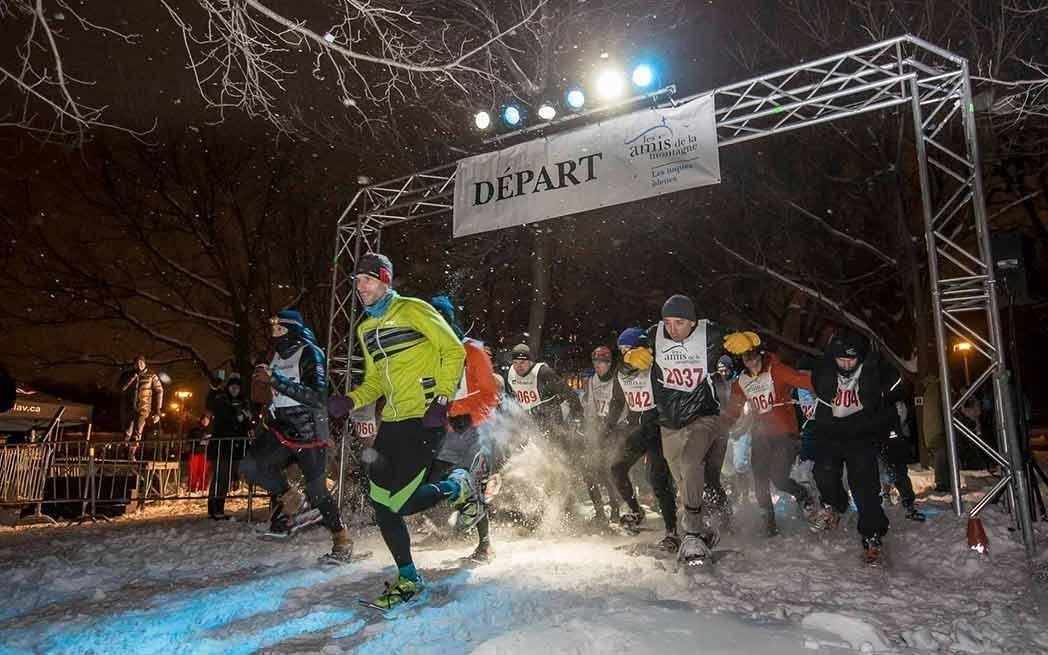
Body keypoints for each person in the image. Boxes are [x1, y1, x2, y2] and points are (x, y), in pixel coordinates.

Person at [326, 253, 479, 610]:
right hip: (393, 421)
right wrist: (350, 400)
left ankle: (457, 486)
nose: (360, 287)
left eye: (366, 279)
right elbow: (376, 381)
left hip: (425, 417)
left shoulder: (414, 310)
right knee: (382, 502)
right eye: (356, 281)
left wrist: (441, 398)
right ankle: (409, 577)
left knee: (401, 501)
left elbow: (452, 350)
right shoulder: (366, 329)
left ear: (384, 280)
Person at [625, 294, 731, 566]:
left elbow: (733, 349)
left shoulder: (709, 334)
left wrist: (746, 343)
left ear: (693, 322)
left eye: (680, 323)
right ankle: (703, 530)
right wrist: (630, 356)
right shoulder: (655, 335)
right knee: (683, 481)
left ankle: (692, 533)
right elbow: (634, 352)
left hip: (703, 415)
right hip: (669, 422)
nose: (673, 329)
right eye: (668, 322)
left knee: (690, 462)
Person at [242, 310, 351, 564]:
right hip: (281, 428)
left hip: (309, 430)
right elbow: (273, 392)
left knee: (318, 491)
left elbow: (316, 397)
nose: (275, 334)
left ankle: (342, 538)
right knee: (251, 466)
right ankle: (292, 498)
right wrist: (262, 385)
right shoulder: (276, 355)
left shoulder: (310, 352)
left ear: (293, 331)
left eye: (280, 329)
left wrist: (275, 379)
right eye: (273, 329)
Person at [808, 331, 904, 565]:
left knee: (864, 488)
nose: (845, 365)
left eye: (851, 360)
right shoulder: (825, 369)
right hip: (831, 431)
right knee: (823, 472)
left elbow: (894, 384)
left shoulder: (872, 370)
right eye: (841, 360)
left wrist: (885, 414)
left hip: (861, 433)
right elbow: (814, 380)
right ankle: (835, 505)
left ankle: (872, 535)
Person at [428, 295, 502, 563]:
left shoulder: (472, 350)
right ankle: (459, 515)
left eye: (438, 321)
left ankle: (485, 545)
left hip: (478, 430)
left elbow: (491, 395)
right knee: (433, 480)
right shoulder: (429, 354)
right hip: (448, 432)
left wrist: (465, 414)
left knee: (472, 483)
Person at [723, 331, 815, 537]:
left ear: (760, 354)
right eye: (746, 358)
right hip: (761, 435)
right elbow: (733, 410)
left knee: (779, 478)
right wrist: (721, 426)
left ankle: (802, 494)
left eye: (753, 356)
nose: (751, 361)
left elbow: (803, 381)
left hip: (785, 434)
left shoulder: (777, 370)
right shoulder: (741, 382)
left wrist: (828, 383)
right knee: (760, 480)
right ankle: (769, 521)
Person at [606, 328, 678, 550]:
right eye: (621, 350)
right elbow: (618, 401)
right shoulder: (621, 371)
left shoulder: (656, 367)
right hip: (637, 430)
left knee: (657, 478)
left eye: (628, 348)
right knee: (617, 468)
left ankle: (672, 530)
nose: (624, 353)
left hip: (658, 429)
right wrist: (608, 425)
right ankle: (636, 511)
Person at [505, 342, 588, 520]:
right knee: (536, 465)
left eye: (523, 362)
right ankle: (542, 506)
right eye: (515, 362)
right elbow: (515, 399)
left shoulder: (543, 372)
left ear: (530, 361)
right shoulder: (510, 374)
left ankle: (568, 506)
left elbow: (570, 394)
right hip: (531, 422)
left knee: (558, 464)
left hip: (551, 421)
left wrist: (578, 417)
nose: (519, 366)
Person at [580, 345, 624, 526]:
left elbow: (619, 406)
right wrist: (587, 429)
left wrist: (609, 427)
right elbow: (590, 407)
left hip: (616, 429)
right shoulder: (592, 381)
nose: (598, 365)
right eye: (595, 361)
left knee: (608, 471)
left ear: (609, 363)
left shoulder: (617, 380)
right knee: (588, 471)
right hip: (598, 428)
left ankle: (615, 509)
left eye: (602, 362)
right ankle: (599, 511)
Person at [206, 374, 251, 520]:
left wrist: (246, 418)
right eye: (232, 387)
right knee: (220, 478)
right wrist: (237, 418)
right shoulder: (222, 400)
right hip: (222, 446)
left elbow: (246, 424)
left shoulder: (243, 402)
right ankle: (215, 508)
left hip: (235, 447)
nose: (234, 390)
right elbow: (218, 413)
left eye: (237, 387)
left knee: (225, 478)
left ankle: (217, 508)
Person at [705, 354, 736, 531]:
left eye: (725, 370)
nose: (722, 372)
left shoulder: (721, 384)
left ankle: (724, 514)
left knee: (711, 477)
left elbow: (727, 410)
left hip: (719, 436)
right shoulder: (708, 380)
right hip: (704, 436)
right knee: (703, 477)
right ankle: (713, 512)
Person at [880, 401, 925, 521]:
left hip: (893, 439)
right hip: (887, 437)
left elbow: (901, 415)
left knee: (896, 471)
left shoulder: (893, 400)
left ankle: (907, 504)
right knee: (888, 470)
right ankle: (889, 496)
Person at [123, 355, 164, 455]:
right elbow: (122, 389)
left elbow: (159, 390)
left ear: (145, 363)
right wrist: (132, 378)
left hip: (144, 408)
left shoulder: (151, 375)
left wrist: (158, 410)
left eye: (141, 363)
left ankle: (131, 454)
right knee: (128, 431)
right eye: (136, 364)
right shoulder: (129, 375)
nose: (139, 365)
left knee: (138, 431)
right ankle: (125, 452)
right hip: (130, 407)